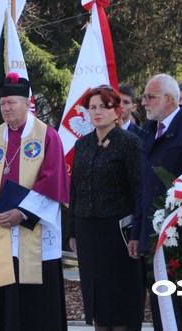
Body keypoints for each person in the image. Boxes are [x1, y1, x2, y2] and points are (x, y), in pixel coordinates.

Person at [0, 73, 70, 331]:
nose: (6, 108)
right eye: (3, 103)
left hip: (33, 229)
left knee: (35, 302)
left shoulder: (47, 136)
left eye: (12, 102)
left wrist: (22, 213)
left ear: (27, 103)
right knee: (3, 297)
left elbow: (53, 181)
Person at [129, 74, 182, 331]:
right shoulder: (150, 131)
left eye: (150, 97)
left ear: (170, 99)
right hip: (152, 234)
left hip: (179, 236)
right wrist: (137, 232)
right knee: (160, 307)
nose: (144, 103)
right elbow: (143, 187)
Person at [68, 85, 143, 331]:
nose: (97, 111)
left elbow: (138, 190)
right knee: (97, 298)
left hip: (118, 232)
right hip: (87, 230)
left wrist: (138, 232)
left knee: (119, 299)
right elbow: (75, 190)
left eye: (104, 106)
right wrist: (72, 231)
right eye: (92, 107)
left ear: (116, 110)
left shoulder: (130, 142)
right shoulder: (83, 144)